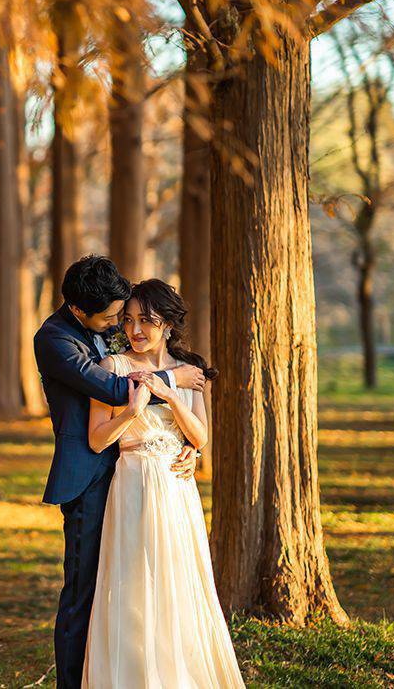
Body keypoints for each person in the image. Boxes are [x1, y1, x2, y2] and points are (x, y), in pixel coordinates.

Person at [33, 256, 206, 689]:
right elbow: (115, 387)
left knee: (138, 587)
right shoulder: (55, 341)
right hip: (91, 477)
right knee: (84, 593)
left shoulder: (105, 325)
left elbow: (143, 351)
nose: (121, 326)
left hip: (139, 475)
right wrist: (174, 378)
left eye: (125, 316)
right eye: (114, 317)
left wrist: (184, 445)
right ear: (79, 310)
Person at [84, 278, 243, 687]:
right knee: (134, 582)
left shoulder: (188, 372)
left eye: (146, 321)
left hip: (177, 489)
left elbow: (201, 436)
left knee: (178, 583)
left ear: (168, 325)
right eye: (130, 320)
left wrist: (172, 397)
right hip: (133, 483)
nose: (135, 330)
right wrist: (132, 413)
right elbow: (98, 438)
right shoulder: (112, 368)